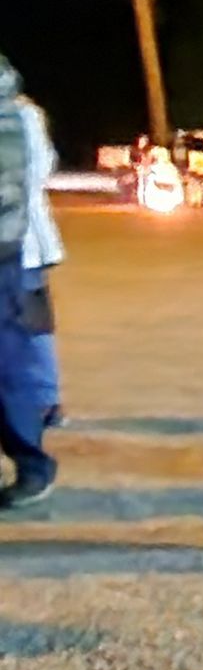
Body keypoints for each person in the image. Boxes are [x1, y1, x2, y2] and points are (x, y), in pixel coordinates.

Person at [0, 54, 60, 509]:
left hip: (12, 253)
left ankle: (33, 465)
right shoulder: (24, 111)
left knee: (15, 361)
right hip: (20, 252)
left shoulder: (14, 116)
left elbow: (22, 180)